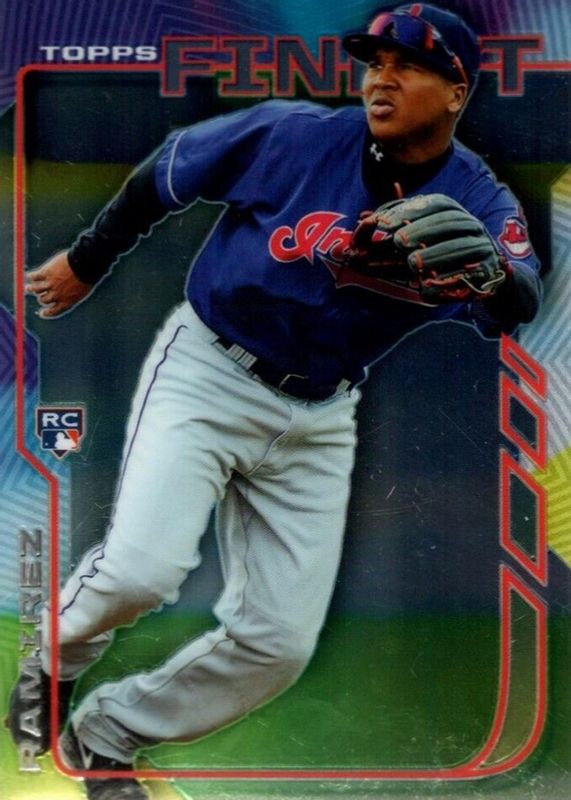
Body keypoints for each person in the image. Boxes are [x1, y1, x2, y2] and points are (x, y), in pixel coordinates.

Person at [8, 5, 542, 798]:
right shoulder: (294, 135)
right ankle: (50, 666)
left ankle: (107, 736)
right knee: (139, 573)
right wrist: (88, 260)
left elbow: (519, 295)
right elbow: (167, 174)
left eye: (407, 65)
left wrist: (493, 277)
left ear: (457, 91)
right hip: (209, 373)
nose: (381, 78)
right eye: (373, 62)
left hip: (319, 415)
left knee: (279, 647)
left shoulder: (477, 198)